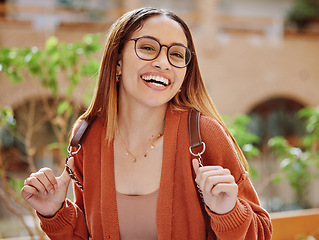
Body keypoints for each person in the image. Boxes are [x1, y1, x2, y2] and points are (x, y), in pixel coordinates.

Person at [21, 7, 272, 240]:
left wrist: (228, 212)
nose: (163, 62)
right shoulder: (87, 135)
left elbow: (261, 233)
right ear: (117, 61)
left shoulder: (204, 134)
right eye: (148, 48)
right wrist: (54, 213)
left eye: (176, 54)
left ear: (184, 74)